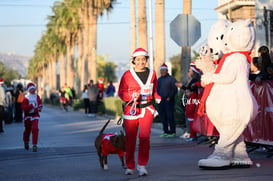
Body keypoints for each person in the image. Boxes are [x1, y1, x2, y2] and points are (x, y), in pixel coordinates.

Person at [118, 48, 161, 176]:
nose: (141, 62)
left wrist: (157, 97)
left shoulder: (152, 74)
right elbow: (121, 92)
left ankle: (142, 165)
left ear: (146, 60)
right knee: (130, 139)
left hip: (147, 108)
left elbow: (154, 89)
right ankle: (130, 166)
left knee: (144, 137)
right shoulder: (127, 75)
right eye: (138, 59)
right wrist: (131, 95)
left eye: (143, 59)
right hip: (131, 109)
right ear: (134, 61)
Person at [157, 63, 178, 138]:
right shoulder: (159, 80)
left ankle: (172, 131)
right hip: (160, 101)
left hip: (169, 100)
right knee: (163, 116)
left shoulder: (171, 79)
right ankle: (166, 131)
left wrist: (170, 96)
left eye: (163, 70)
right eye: (161, 70)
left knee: (170, 116)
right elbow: (157, 90)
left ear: (166, 71)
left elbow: (175, 89)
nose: (162, 72)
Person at [21, 82, 43, 152]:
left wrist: (40, 107)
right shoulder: (26, 98)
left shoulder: (37, 96)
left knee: (35, 128)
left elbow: (39, 103)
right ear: (29, 90)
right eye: (32, 89)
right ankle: (26, 141)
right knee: (27, 130)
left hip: (35, 115)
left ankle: (34, 145)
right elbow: (23, 107)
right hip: (28, 116)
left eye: (34, 89)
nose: (33, 90)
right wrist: (31, 106)